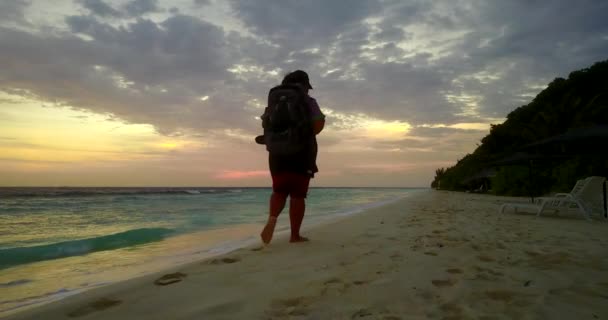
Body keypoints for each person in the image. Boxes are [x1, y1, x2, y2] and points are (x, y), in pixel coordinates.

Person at [259, 70, 325, 244]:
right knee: (297, 194)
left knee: (279, 190)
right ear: (304, 85)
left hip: (276, 154)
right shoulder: (307, 101)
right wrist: (305, 133)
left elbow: (265, 122)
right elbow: (318, 124)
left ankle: (272, 218)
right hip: (301, 152)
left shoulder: (273, 101)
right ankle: (294, 235)